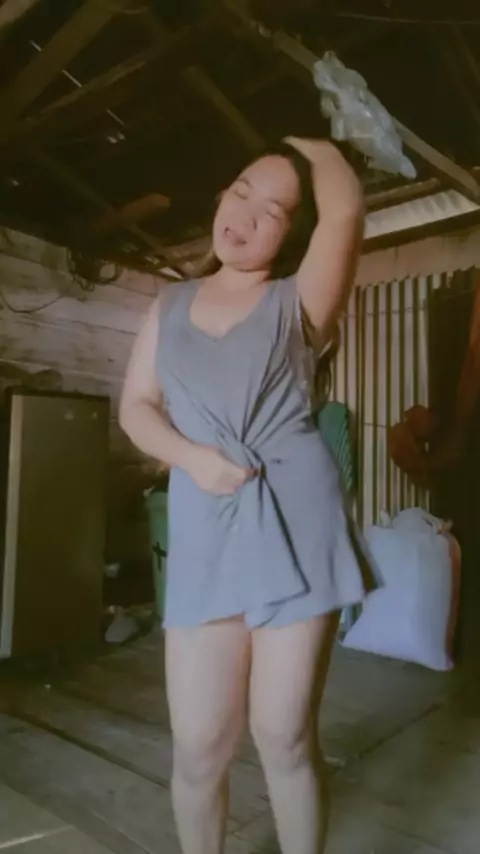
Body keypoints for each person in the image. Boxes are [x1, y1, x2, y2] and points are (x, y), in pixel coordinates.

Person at [120, 137, 369, 854]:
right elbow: (137, 406)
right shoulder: (169, 304)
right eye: (240, 191)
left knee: (283, 735)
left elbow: (345, 210)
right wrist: (193, 459)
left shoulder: (300, 302)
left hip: (297, 523)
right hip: (206, 522)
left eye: (275, 210)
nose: (247, 215)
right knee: (199, 746)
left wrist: (313, 144)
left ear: (290, 234)